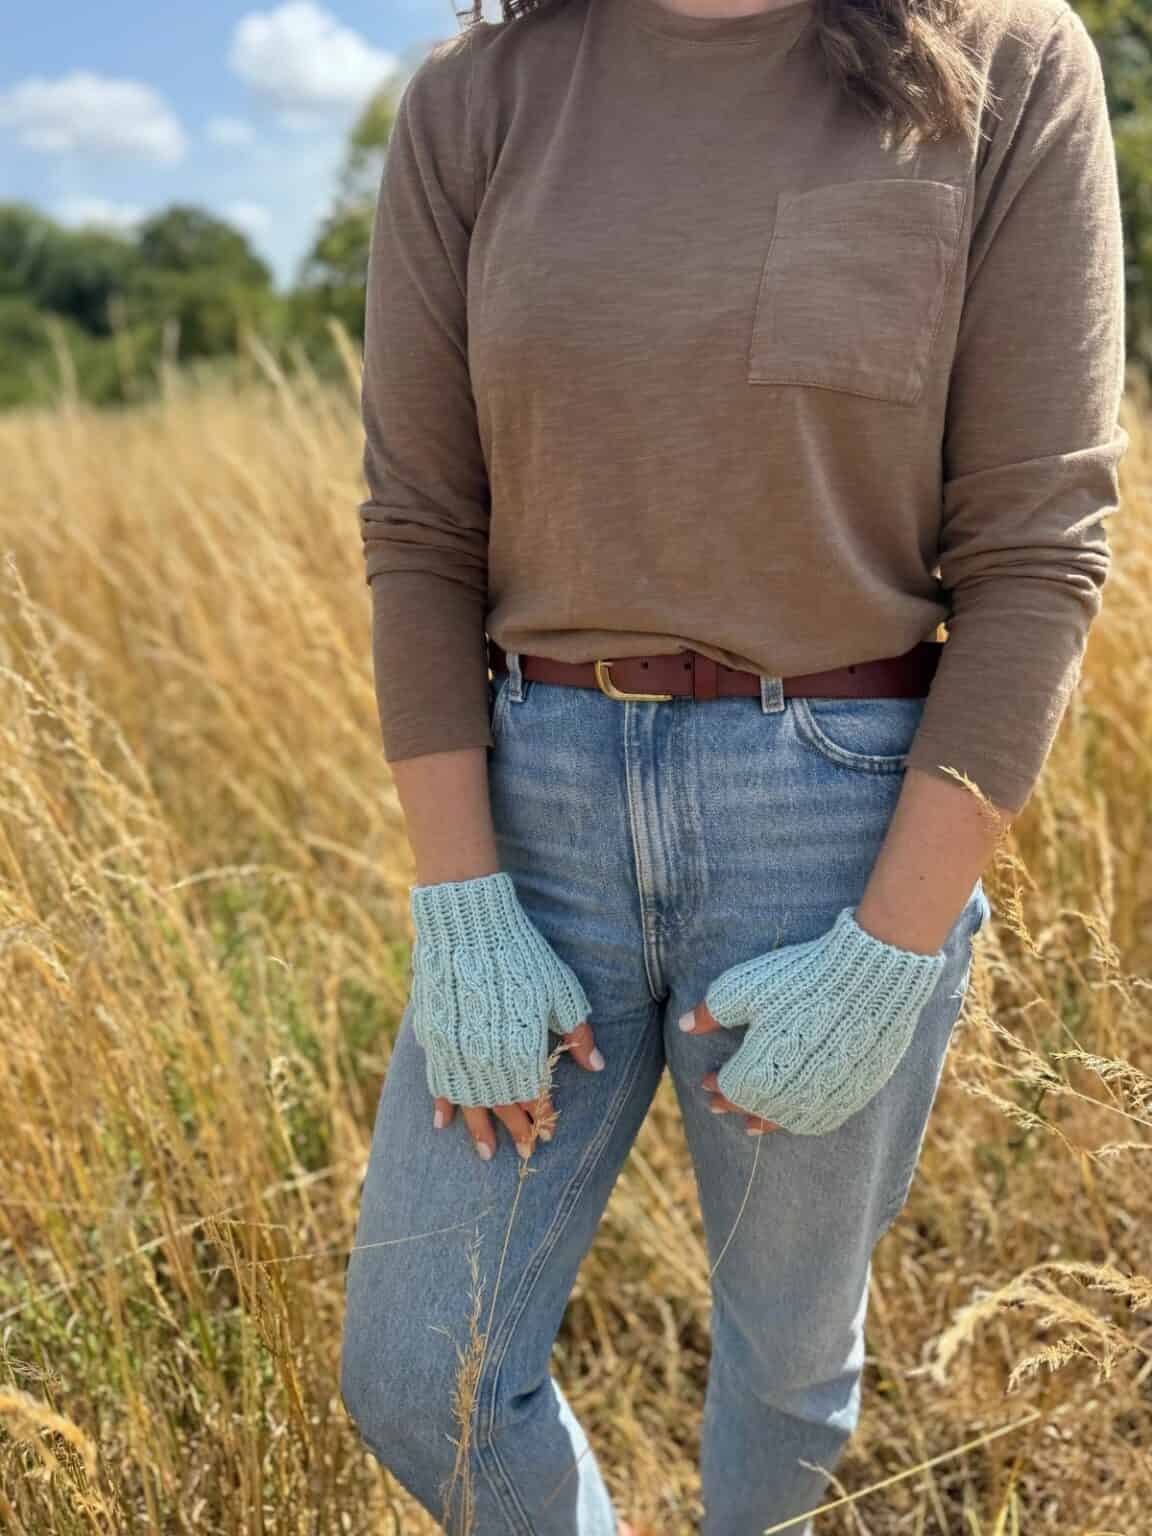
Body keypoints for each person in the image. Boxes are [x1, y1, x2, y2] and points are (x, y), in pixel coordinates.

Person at [338, 0, 1128, 1528]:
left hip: (836, 819)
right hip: (532, 804)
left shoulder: (1011, 61)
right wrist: (459, 899)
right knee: (414, 1365)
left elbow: (1038, 553)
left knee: (783, 1365)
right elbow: (420, 528)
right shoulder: (480, 98)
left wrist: (894, 946)